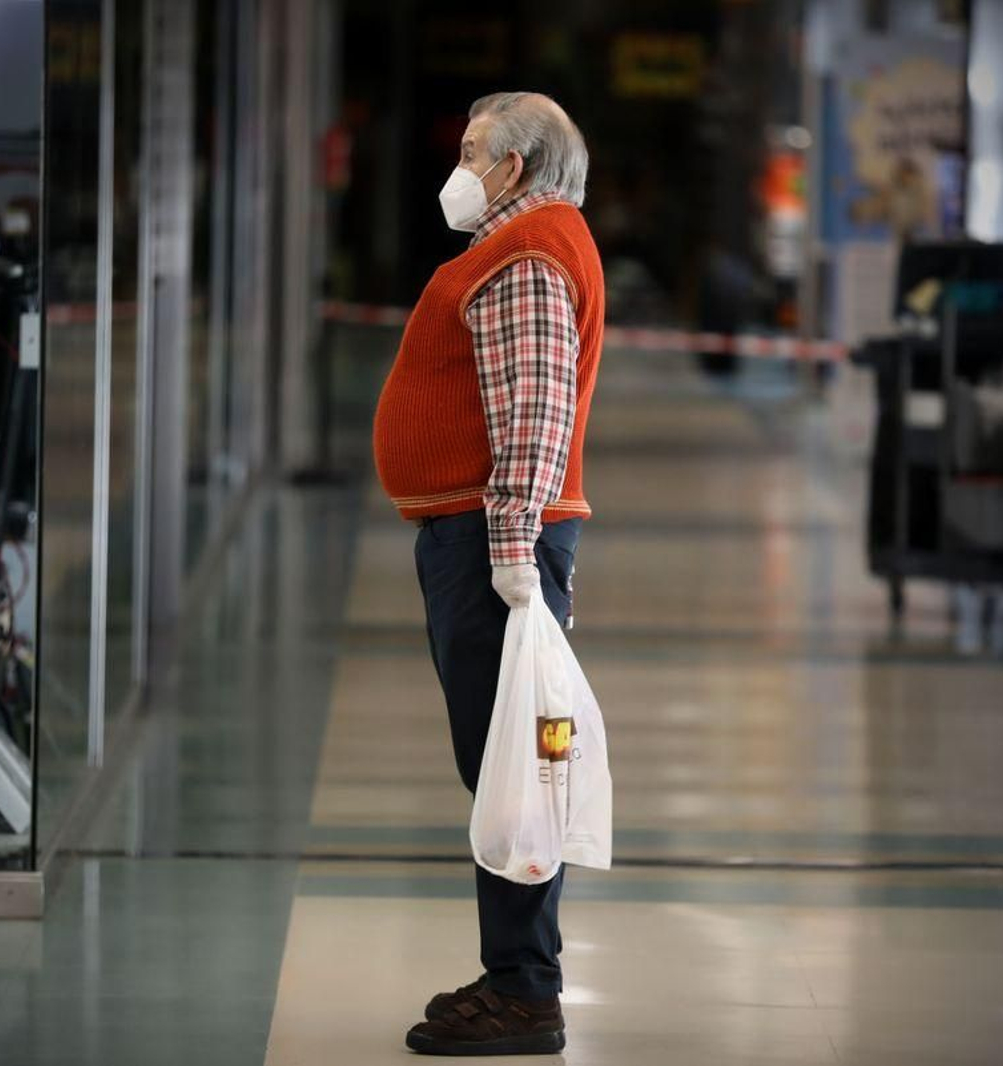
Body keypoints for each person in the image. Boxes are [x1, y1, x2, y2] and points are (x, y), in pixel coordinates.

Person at [371, 91, 605, 1056]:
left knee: (514, 770)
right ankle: (516, 974)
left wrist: (510, 552)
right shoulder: (521, 245)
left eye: (473, 153)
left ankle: (523, 991)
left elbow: (534, 413)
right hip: (481, 537)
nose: (459, 169)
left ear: (515, 166)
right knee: (505, 762)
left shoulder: (526, 255)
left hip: (491, 544)